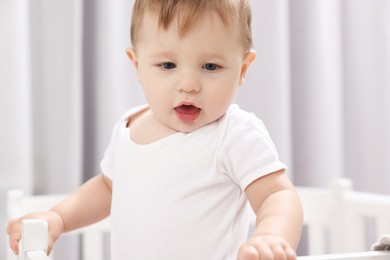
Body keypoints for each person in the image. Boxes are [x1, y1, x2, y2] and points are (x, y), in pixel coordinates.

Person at [7, 0, 303, 259]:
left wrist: (272, 237)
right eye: (167, 65)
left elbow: (276, 196)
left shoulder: (233, 134)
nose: (188, 84)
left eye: (210, 67)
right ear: (137, 65)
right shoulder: (130, 126)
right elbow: (108, 188)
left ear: (242, 69)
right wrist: (59, 217)